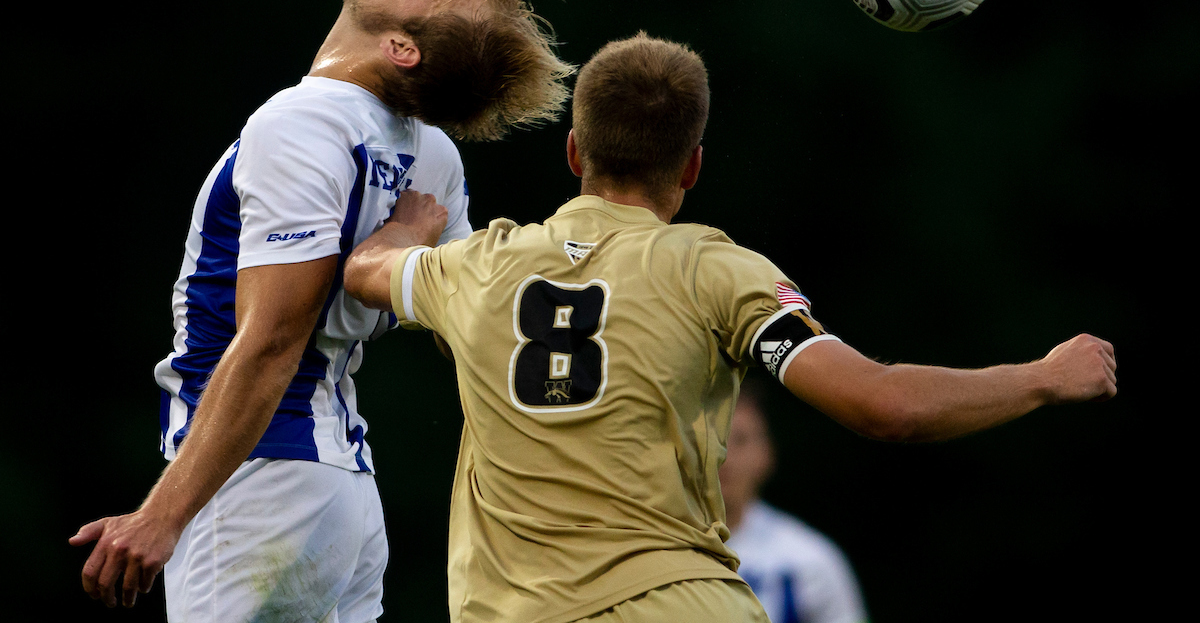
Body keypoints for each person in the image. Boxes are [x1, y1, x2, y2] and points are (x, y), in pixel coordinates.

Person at [341, 32, 1117, 623]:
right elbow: (884, 405)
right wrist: (1043, 378)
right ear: (691, 167)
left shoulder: (478, 266)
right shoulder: (717, 272)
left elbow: (367, 269)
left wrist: (408, 230)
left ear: (575, 151)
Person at [70, 0, 574, 620]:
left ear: (401, 48)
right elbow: (475, 326)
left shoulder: (302, 123)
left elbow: (274, 338)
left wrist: (161, 516)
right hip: (343, 493)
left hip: (261, 487)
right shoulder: (433, 157)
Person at [720, 380, 869, 623]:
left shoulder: (809, 560)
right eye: (713, 440)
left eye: (740, 440)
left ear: (766, 454)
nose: (724, 456)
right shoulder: (659, 546)